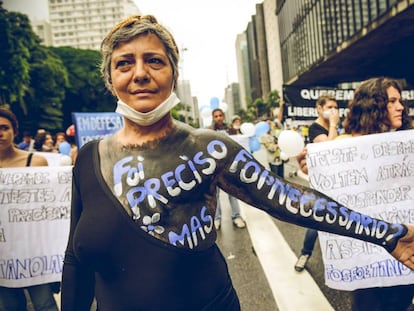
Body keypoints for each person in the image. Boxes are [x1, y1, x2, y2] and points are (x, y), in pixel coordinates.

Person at [61, 15, 414, 311]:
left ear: (173, 74)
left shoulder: (207, 148)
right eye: (124, 63)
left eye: (154, 60)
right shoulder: (88, 158)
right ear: (110, 79)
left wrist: (386, 234)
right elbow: (75, 260)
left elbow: (290, 200)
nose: (139, 74)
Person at [338, 77, 414, 311]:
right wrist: (310, 168)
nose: (400, 107)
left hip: (407, 248)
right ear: (373, 105)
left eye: (399, 101)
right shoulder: (341, 147)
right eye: (391, 101)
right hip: (367, 259)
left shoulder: (409, 142)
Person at [0, 108, 59, 311]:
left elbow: (49, 209)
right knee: (9, 306)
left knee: (45, 304)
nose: (0, 133)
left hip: (33, 252)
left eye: (4, 128)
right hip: (2, 254)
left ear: (14, 131)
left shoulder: (35, 162)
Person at [294, 94, 339, 272]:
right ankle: (305, 253)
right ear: (319, 108)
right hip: (321, 182)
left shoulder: (334, 127)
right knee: (317, 218)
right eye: (329, 107)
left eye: (335, 107)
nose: (333, 111)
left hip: (337, 180)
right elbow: (330, 148)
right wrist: (334, 125)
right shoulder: (315, 128)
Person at [208, 108, 246, 230]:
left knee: (233, 193)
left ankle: (236, 216)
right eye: (216, 116)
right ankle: (217, 219)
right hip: (215, 168)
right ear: (213, 118)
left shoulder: (231, 130)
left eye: (220, 115)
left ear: (223, 116)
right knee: (215, 195)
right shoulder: (209, 131)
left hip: (229, 166)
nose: (218, 118)